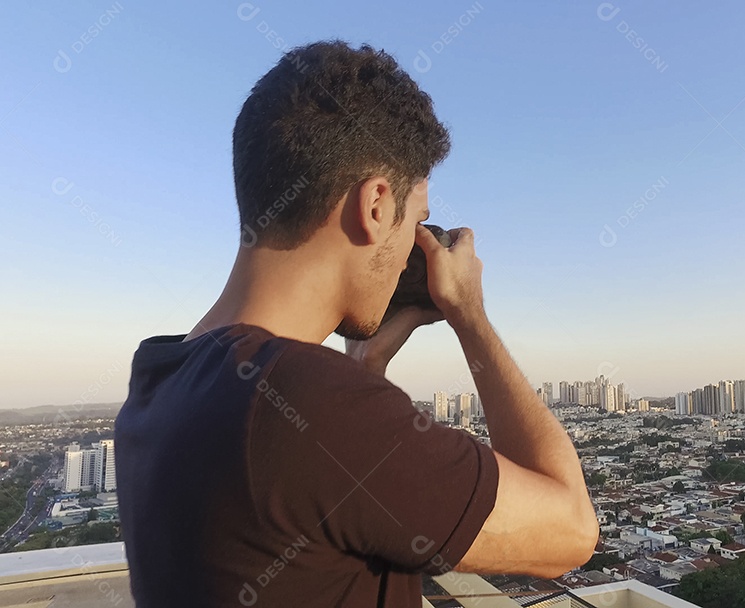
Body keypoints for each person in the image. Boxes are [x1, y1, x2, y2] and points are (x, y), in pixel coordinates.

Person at [114, 40, 598, 607]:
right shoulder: (310, 404)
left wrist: (366, 366)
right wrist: (470, 316)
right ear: (374, 206)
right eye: (414, 222)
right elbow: (570, 530)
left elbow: (314, 502)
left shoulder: (161, 377)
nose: (406, 257)